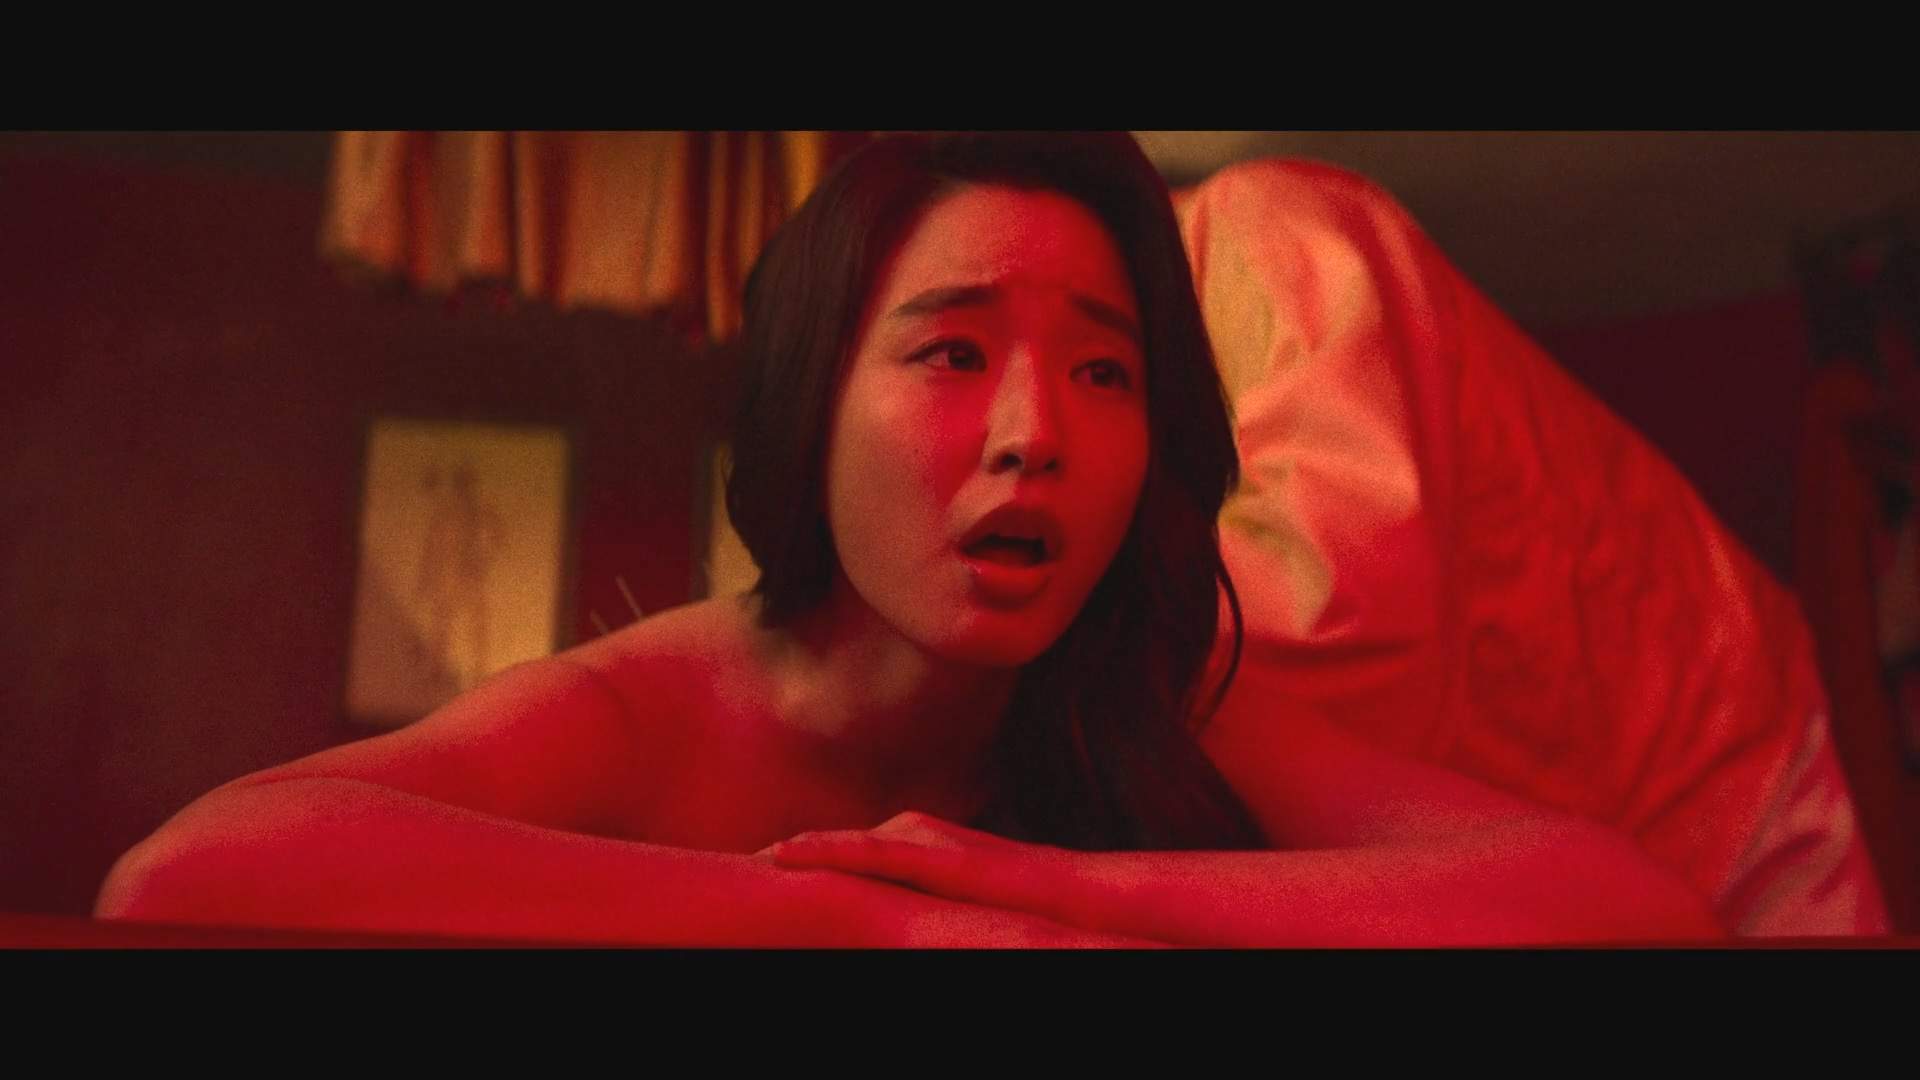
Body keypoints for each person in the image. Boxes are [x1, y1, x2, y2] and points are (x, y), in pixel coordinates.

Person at [94, 133, 1724, 946]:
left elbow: (1628, 908)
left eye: (1104, 372)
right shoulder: (654, 708)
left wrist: (1061, 890)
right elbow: (186, 873)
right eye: (953, 353)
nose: (1034, 432)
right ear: (813, 406)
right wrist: (869, 918)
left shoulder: (1139, 696)